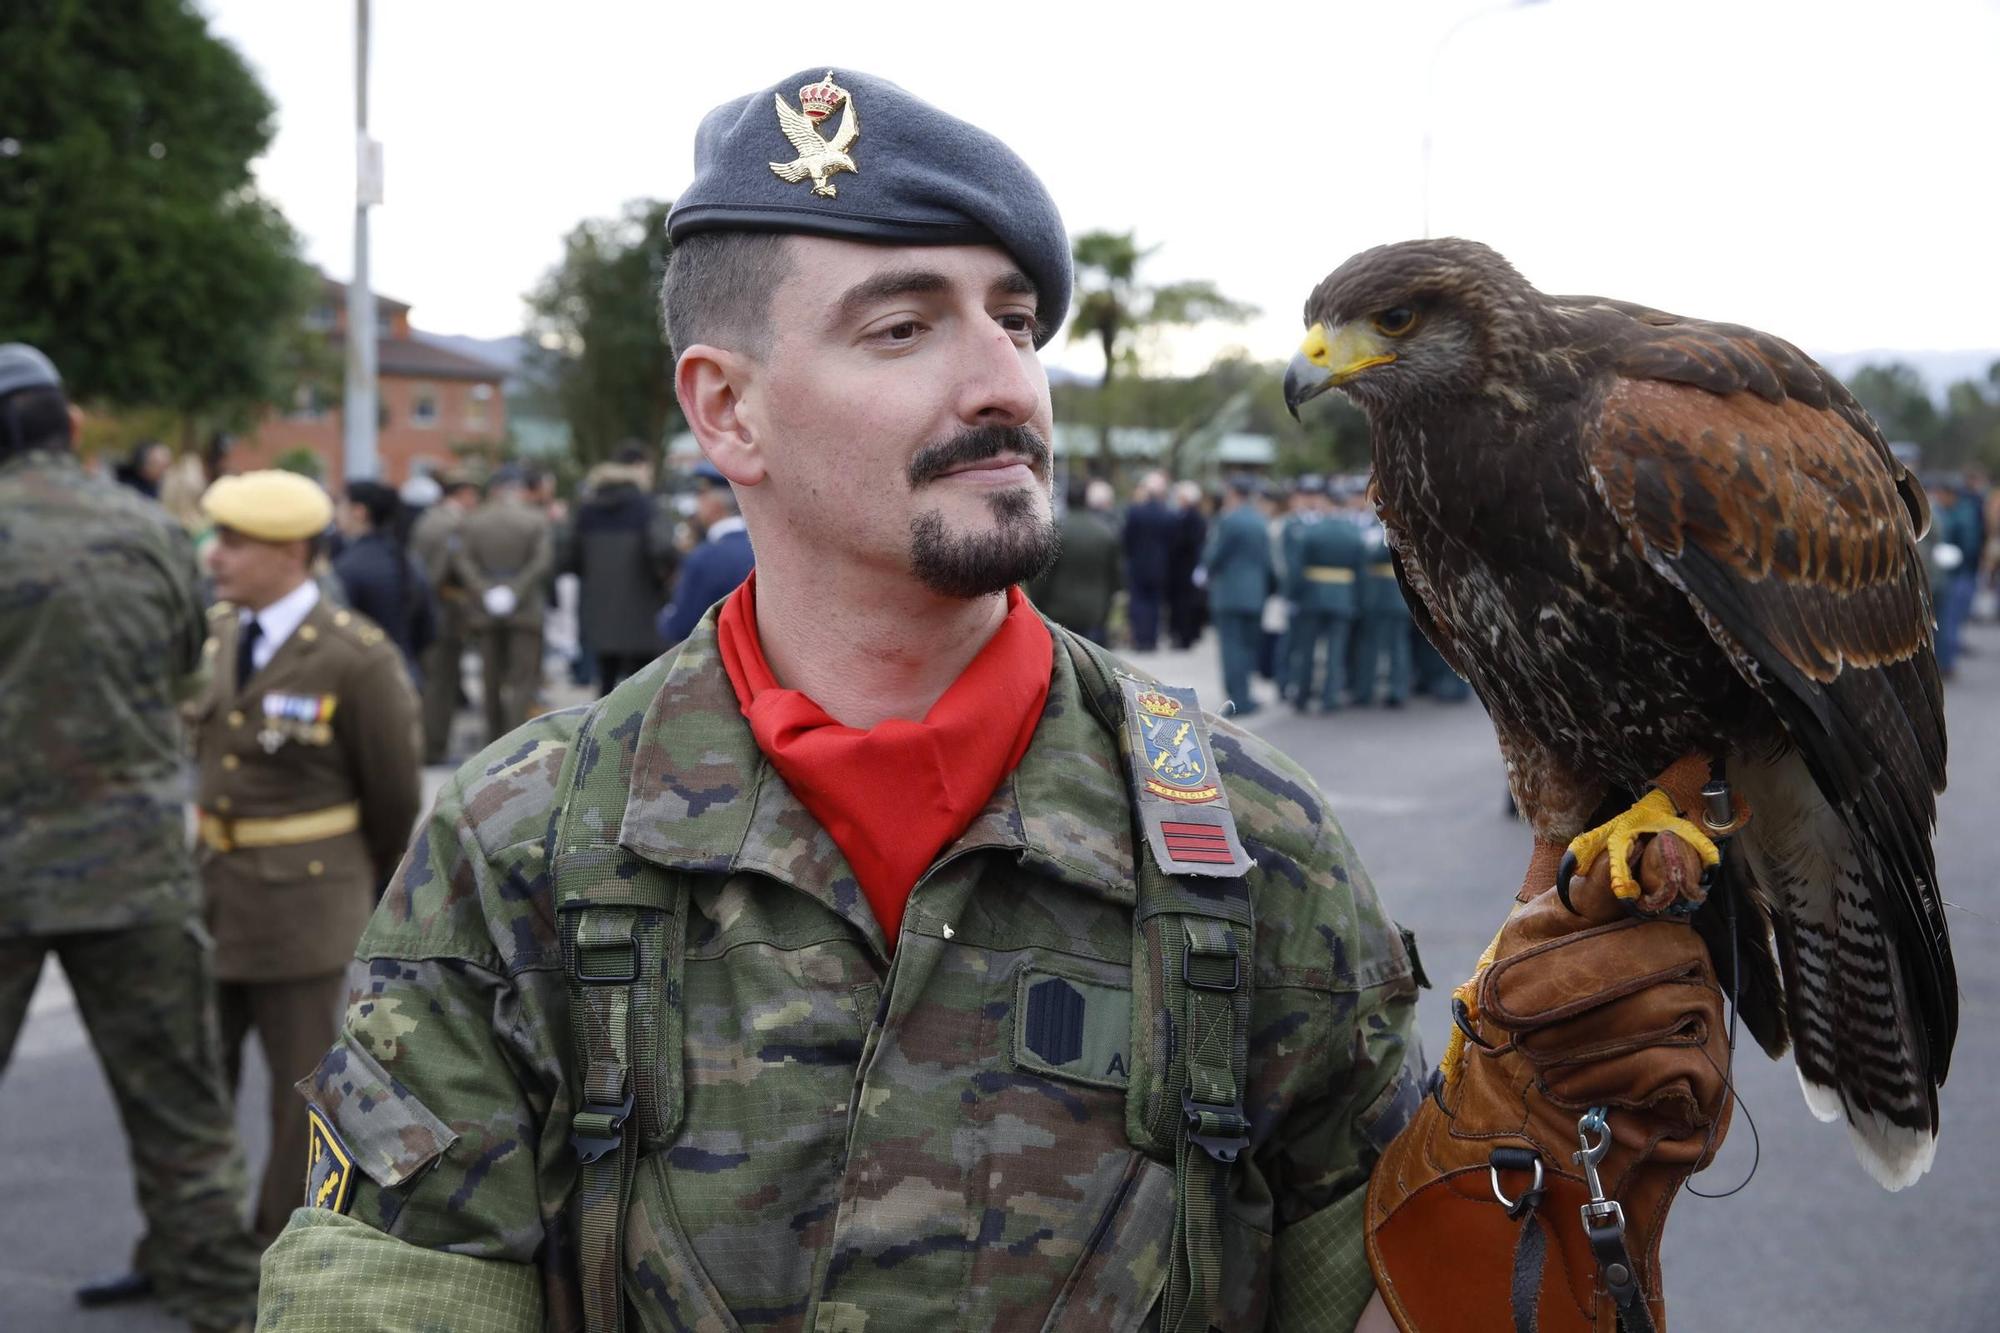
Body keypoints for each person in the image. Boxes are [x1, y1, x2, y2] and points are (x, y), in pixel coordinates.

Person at [258, 71, 1732, 1333]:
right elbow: (389, 1284)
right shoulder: (527, 840)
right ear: (726, 409)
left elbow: (1379, 1301)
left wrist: (1526, 1194)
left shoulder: (1249, 842)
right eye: (902, 329)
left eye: (1015, 320)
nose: (1003, 384)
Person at [0, 344, 262, 1333]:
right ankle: (217, 1298)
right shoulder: (153, 529)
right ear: (67, 426)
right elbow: (187, 683)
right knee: (181, 1111)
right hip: (135, 866)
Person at [192, 469, 423, 1246]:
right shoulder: (221, 632)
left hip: (305, 911)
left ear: (290, 550)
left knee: (301, 1106)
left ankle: (276, 1251)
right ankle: (193, 1244)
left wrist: (360, 892)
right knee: (194, 1088)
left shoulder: (354, 657)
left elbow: (392, 800)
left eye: (232, 542)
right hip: (212, 899)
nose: (213, 556)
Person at [452, 466, 554, 742]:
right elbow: (542, 561)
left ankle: (492, 739)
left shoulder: (473, 520)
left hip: (484, 609)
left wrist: (485, 592)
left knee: (490, 678)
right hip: (525, 608)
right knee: (523, 678)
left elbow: (463, 560)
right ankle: (516, 738)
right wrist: (515, 590)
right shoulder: (536, 519)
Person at [565, 450, 679, 689]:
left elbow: (571, 558)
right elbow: (661, 548)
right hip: (642, 608)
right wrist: (665, 577)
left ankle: (603, 727)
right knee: (642, 687)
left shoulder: (586, 510)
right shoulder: (647, 506)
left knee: (606, 682)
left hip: (599, 611)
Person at [332, 478, 436, 681]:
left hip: (362, 680)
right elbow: (429, 628)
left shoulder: (346, 567)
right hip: (406, 672)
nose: (336, 512)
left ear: (359, 511)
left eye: (341, 504)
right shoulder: (408, 559)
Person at [408, 473, 481, 762]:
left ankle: (428, 746)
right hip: (446, 612)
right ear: (462, 493)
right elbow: (451, 571)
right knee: (442, 684)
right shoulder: (454, 524)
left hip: (429, 611)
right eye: (473, 495)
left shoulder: (428, 519)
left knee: (433, 682)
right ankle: (433, 749)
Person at [1287, 476, 1363, 711]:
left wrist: (1294, 595)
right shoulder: (1353, 533)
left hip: (1313, 596)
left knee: (1307, 649)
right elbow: (1360, 572)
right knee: (1336, 651)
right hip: (1342, 597)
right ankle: (1330, 698)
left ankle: (1302, 696)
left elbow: (1297, 569)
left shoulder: (1312, 531)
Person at [655, 467, 754, 646]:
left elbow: (679, 626)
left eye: (701, 496)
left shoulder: (704, 557)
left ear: (714, 505)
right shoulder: (763, 549)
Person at [1201, 473, 1273, 716]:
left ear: (1232, 494)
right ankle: (1245, 696)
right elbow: (1267, 560)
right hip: (1255, 593)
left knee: (1231, 648)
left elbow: (1214, 555)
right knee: (1247, 647)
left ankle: (1236, 699)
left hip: (1229, 593)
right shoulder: (1260, 520)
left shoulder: (1228, 521)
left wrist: (1205, 570)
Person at [1026, 475, 1121, 643]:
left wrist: (1037, 603)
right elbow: (1114, 575)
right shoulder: (1105, 533)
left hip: (1058, 609)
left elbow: (1041, 577)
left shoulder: (1056, 532)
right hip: (1094, 610)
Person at [1120, 469, 1176, 650]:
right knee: (1154, 603)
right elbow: (1171, 541)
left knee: (1138, 601)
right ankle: (1151, 639)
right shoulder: (1167, 514)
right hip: (1160, 565)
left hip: (1138, 563)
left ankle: (1140, 638)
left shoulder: (1135, 512)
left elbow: (1127, 538)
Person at [1166, 477, 1209, 649]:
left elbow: (1190, 542)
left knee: (1185, 604)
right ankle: (1181, 635)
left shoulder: (1193, 518)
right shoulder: (1183, 516)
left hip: (1187, 567)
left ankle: (1185, 636)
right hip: (1181, 568)